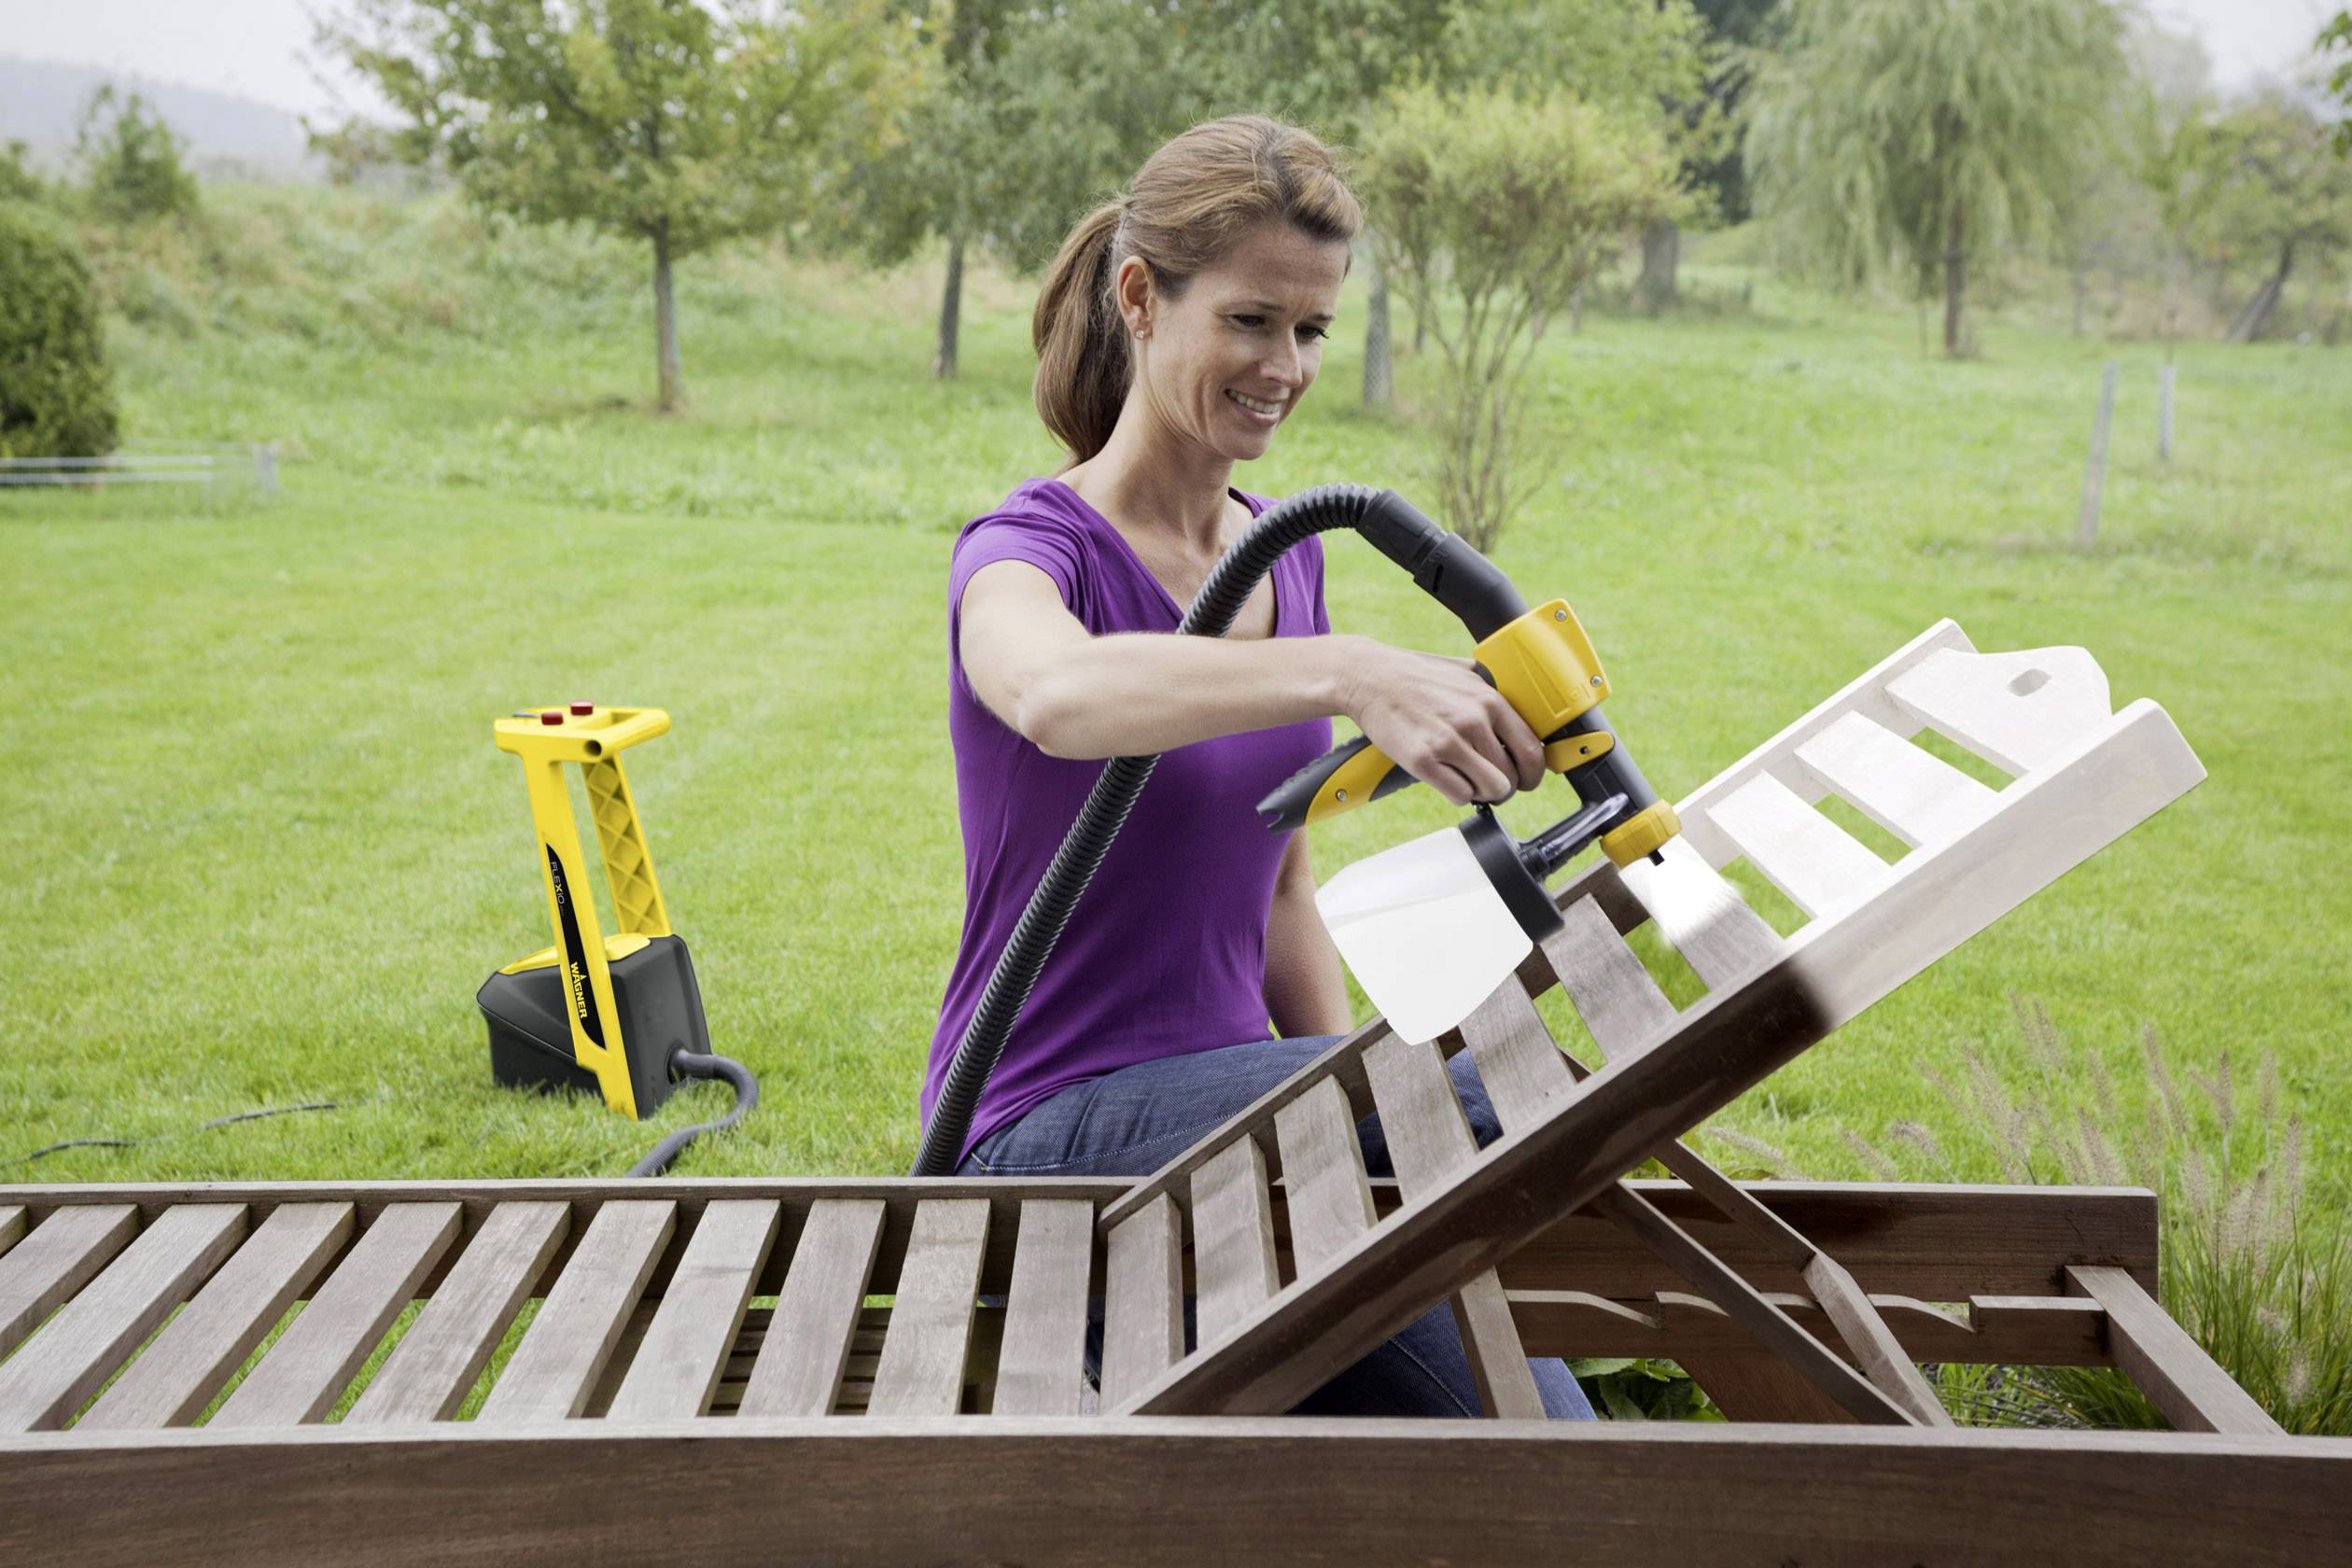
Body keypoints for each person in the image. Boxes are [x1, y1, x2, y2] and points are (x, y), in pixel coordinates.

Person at [921, 115, 1593, 1420]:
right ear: (1139, 299)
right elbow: (1057, 694)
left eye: (1312, 331)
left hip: (1242, 1130)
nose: (1285, 365)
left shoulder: (1284, 551)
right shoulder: (1025, 550)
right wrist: (1349, 671)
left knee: (1546, 1439)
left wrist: (1365, 1135)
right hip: (1049, 1128)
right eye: (1251, 321)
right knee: (1478, 1088)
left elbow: (1279, 886)